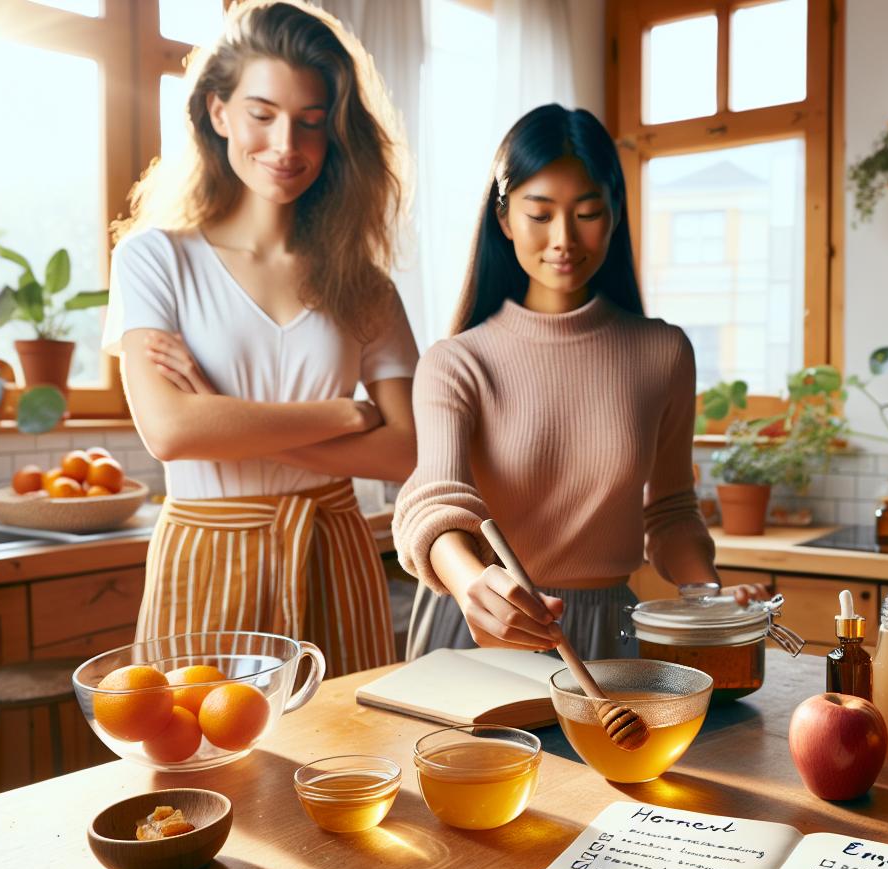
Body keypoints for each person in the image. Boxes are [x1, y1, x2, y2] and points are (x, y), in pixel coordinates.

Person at [102, 0, 416, 676]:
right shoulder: (154, 258)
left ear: (335, 135)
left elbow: (407, 451)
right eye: (262, 115)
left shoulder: (366, 285)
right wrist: (341, 415)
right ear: (218, 111)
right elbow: (171, 433)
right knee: (197, 761)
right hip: (206, 552)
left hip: (332, 550)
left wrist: (225, 416)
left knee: (345, 766)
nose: (286, 147)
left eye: (311, 123)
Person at [392, 103, 769, 662]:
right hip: (479, 627)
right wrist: (471, 584)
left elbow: (669, 510)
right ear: (504, 219)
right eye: (539, 214)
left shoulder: (662, 353)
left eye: (587, 212)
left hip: (607, 633)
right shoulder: (457, 361)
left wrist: (704, 593)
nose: (564, 237)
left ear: (614, 214)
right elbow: (433, 502)